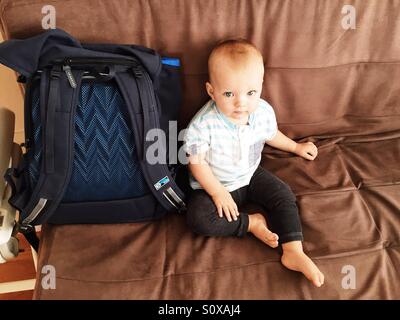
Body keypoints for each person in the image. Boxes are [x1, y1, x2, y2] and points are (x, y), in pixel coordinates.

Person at [183, 39, 325, 287]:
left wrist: (296, 147)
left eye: (251, 93)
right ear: (211, 91)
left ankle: (293, 250)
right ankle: (251, 224)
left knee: (283, 194)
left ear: (260, 86)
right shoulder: (202, 125)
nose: (241, 103)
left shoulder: (261, 112)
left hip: (251, 174)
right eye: (229, 94)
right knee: (198, 218)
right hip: (215, 184)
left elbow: (271, 134)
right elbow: (196, 163)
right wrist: (217, 193)